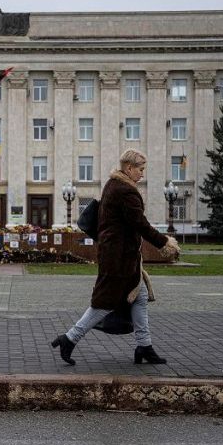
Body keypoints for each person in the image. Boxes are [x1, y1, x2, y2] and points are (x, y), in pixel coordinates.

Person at [52, 148, 180, 365]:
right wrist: (164, 243)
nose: (142, 174)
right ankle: (69, 338)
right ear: (129, 168)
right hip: (119, 260)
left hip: (119, 256)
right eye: (140, 169)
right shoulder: (125, 191)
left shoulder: (113, 185)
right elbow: (140, 224)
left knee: (139, 297)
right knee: (104, 304)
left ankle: (144, 346)